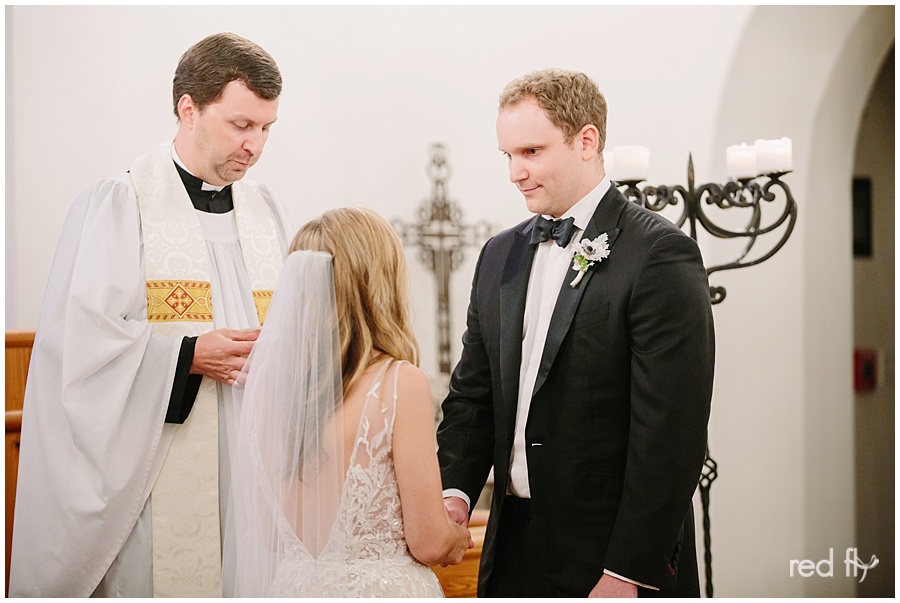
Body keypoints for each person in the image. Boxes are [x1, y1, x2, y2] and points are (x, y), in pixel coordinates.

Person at [9, 33, 292, 597]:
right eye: (241, 125)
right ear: (189, 109)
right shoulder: (120, 203)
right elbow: (81, 349)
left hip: (256, 466)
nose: (255, 146)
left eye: (266, 128)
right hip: (158, 465)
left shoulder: (264, 210)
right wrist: (186, 355)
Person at [436, 68, 715, 597]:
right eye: (508, 156)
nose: (515, 172)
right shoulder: (499, 255)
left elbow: (671, 433)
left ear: (587, 141)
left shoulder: (657, 253)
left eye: (532, 152)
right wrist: (453, 494)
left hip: (610, 556)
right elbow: (473, 395)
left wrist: (628, 571)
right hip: (512, 550)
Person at [222, 207, 472, 596]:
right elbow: (429, 542)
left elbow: (269, 536)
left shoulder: (266, 391)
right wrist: (456, 538)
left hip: (296, 587)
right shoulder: (397, 382)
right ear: (379, 281)